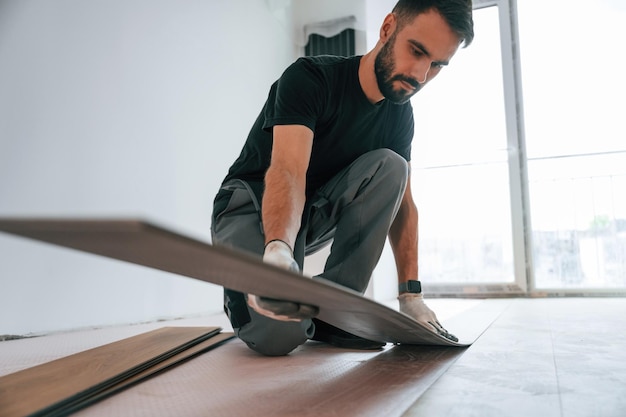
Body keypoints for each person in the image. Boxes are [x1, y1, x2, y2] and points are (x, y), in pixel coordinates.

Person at [211, 0, 474, 356]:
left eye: (437, 65)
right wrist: (277, 251)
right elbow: (288, 171)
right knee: (278, 338)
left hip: (308, 216)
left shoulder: (400, 116)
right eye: (416, 50)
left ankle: (334, 311)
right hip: (250, 204)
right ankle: (249, 295)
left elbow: (404, 206)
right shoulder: (310, 78)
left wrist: (411, 296)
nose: (421, 75)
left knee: (392, 166)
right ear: (387, 29)